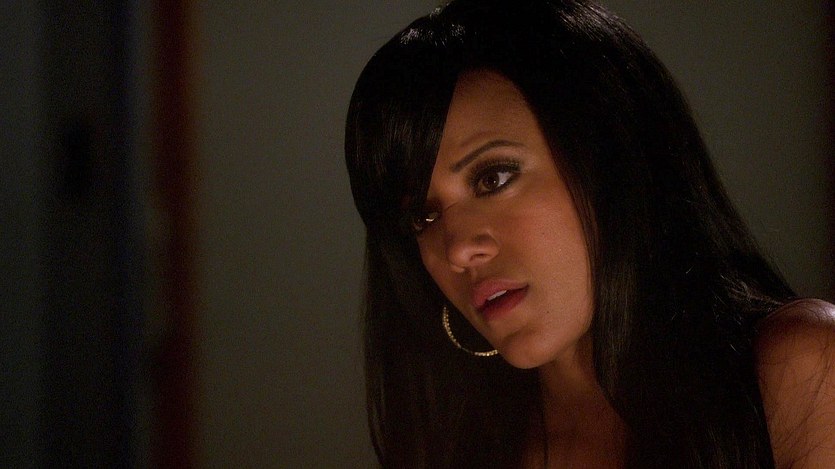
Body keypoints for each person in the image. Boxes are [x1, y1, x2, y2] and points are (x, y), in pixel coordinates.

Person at [343, 0, 835, 467]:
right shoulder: (452, 445)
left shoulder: (801, 375)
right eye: (424, 217)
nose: (457, 250)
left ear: (613, 160)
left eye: (494, 178)